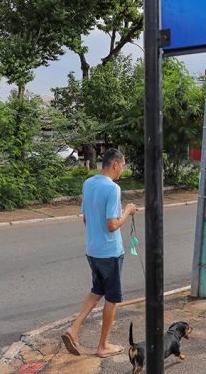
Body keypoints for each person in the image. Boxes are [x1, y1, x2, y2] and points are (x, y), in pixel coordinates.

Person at [62, 148, 136, 358]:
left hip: (92, 250)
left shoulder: (88, 183)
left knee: (97, 290)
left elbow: (85, 218)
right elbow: (112, 225)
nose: (123, 169)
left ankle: (73, 329)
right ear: (115, 164)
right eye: (122, 165)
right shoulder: (113, 189)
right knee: (112, 297)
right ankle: (103, 345)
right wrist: (128, 211)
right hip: (110, 252)